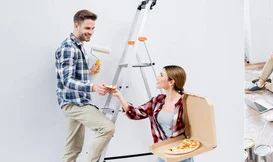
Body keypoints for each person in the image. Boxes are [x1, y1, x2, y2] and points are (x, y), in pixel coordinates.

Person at [55, 9, 115, 162]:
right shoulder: (68, 47)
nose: (91, 32)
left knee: (72, 150)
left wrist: (89, 72)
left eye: (93, 28)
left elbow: (72, 75)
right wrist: (92, 87)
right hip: (74, 103)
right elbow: (66, 81)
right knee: (107, 127)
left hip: (78, 101)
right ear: (76, 26)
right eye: (87, 28)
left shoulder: (78, 45)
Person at [109, 65, 194, 162]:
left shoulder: (186, 103)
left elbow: (197, 131)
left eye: (161, 75)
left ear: (171, 82)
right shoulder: (157, 101)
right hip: (163, 154)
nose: (157, 78)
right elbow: (135, 113)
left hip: (181, 155)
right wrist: (119, 96)